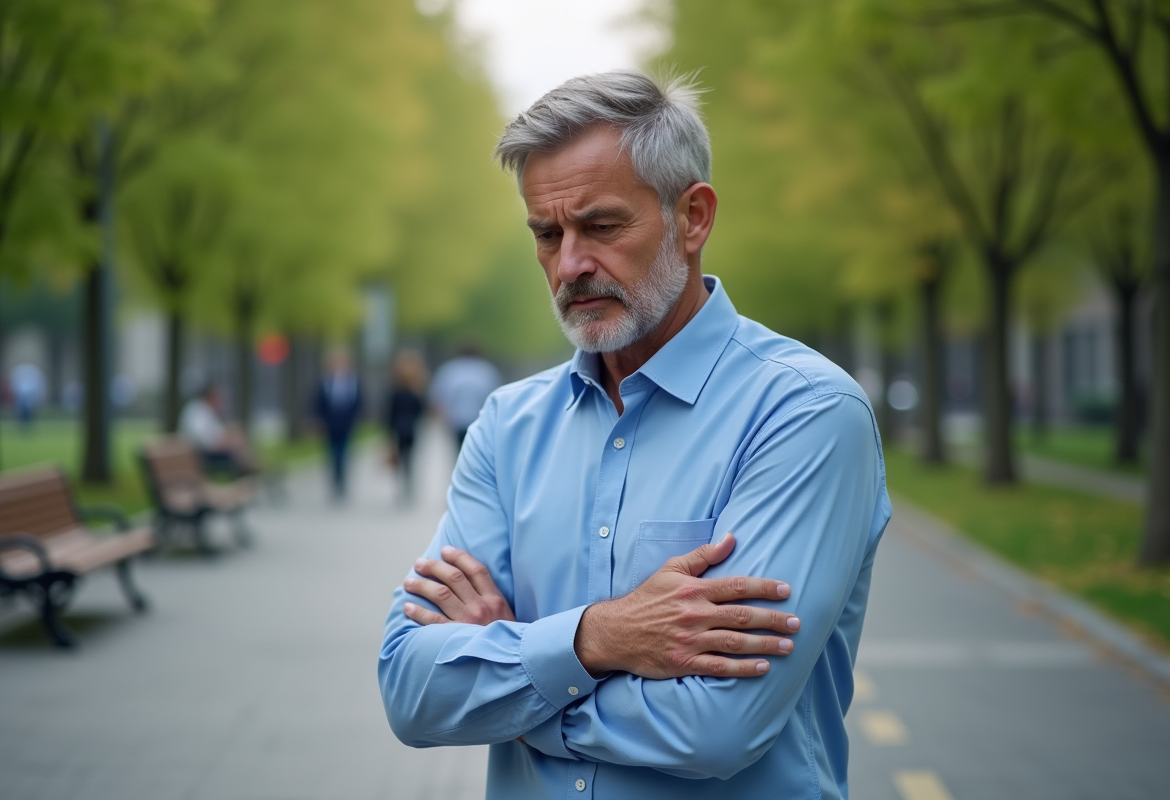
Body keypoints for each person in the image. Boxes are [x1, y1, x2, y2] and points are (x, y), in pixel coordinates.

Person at [378, 71, 890, 800]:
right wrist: (600, 639)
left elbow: (718, 727)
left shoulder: (804, 414)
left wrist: (512, 674)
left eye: (602, 226)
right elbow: (411, 688)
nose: (571, 264)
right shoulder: (506, 427)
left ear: (694, 217)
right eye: (547, 235)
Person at [428, 344, 501, 450]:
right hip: (478, 419)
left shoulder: (449, 370)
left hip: (455, 420)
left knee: (459, 449)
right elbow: (494, 396)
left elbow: (438, 397)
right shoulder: (487, 371)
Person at [312, 351, 362, 500]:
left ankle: (342, 481)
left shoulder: (353, 382)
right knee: (333, 453)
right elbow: (317, 402)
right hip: (330, 424)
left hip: (347, 424)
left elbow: (359, 402)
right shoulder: (325, 382)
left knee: (344, 453)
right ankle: (335, 480)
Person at [178, 382, 254, 474]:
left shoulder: (203, 410)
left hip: (202, 455)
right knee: (238, 450)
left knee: (238, 439)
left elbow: (215, 436)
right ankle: (253, 474)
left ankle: (253, 473)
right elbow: (207, 442)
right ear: (211, 396)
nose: (222, 401)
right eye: (219, 397)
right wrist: (230, 442)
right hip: (201, 457)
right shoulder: (198, 411)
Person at [384, 349, 428, 503]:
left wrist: (388, 432)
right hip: (411, 429)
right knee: (409, 457)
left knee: (401, 457)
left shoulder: (396, 392)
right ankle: (408, 483)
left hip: (398, 428)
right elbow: (422, 411)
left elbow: (390, 413)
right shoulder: (416, 392)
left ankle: (403, 484)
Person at [10, 362, 45, 432]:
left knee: (28, 413)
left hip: (28, 395)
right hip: (23, 395)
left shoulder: (32, 372)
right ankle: (23, 427)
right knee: (23, 413)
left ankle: (27, 427)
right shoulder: (21, 372)